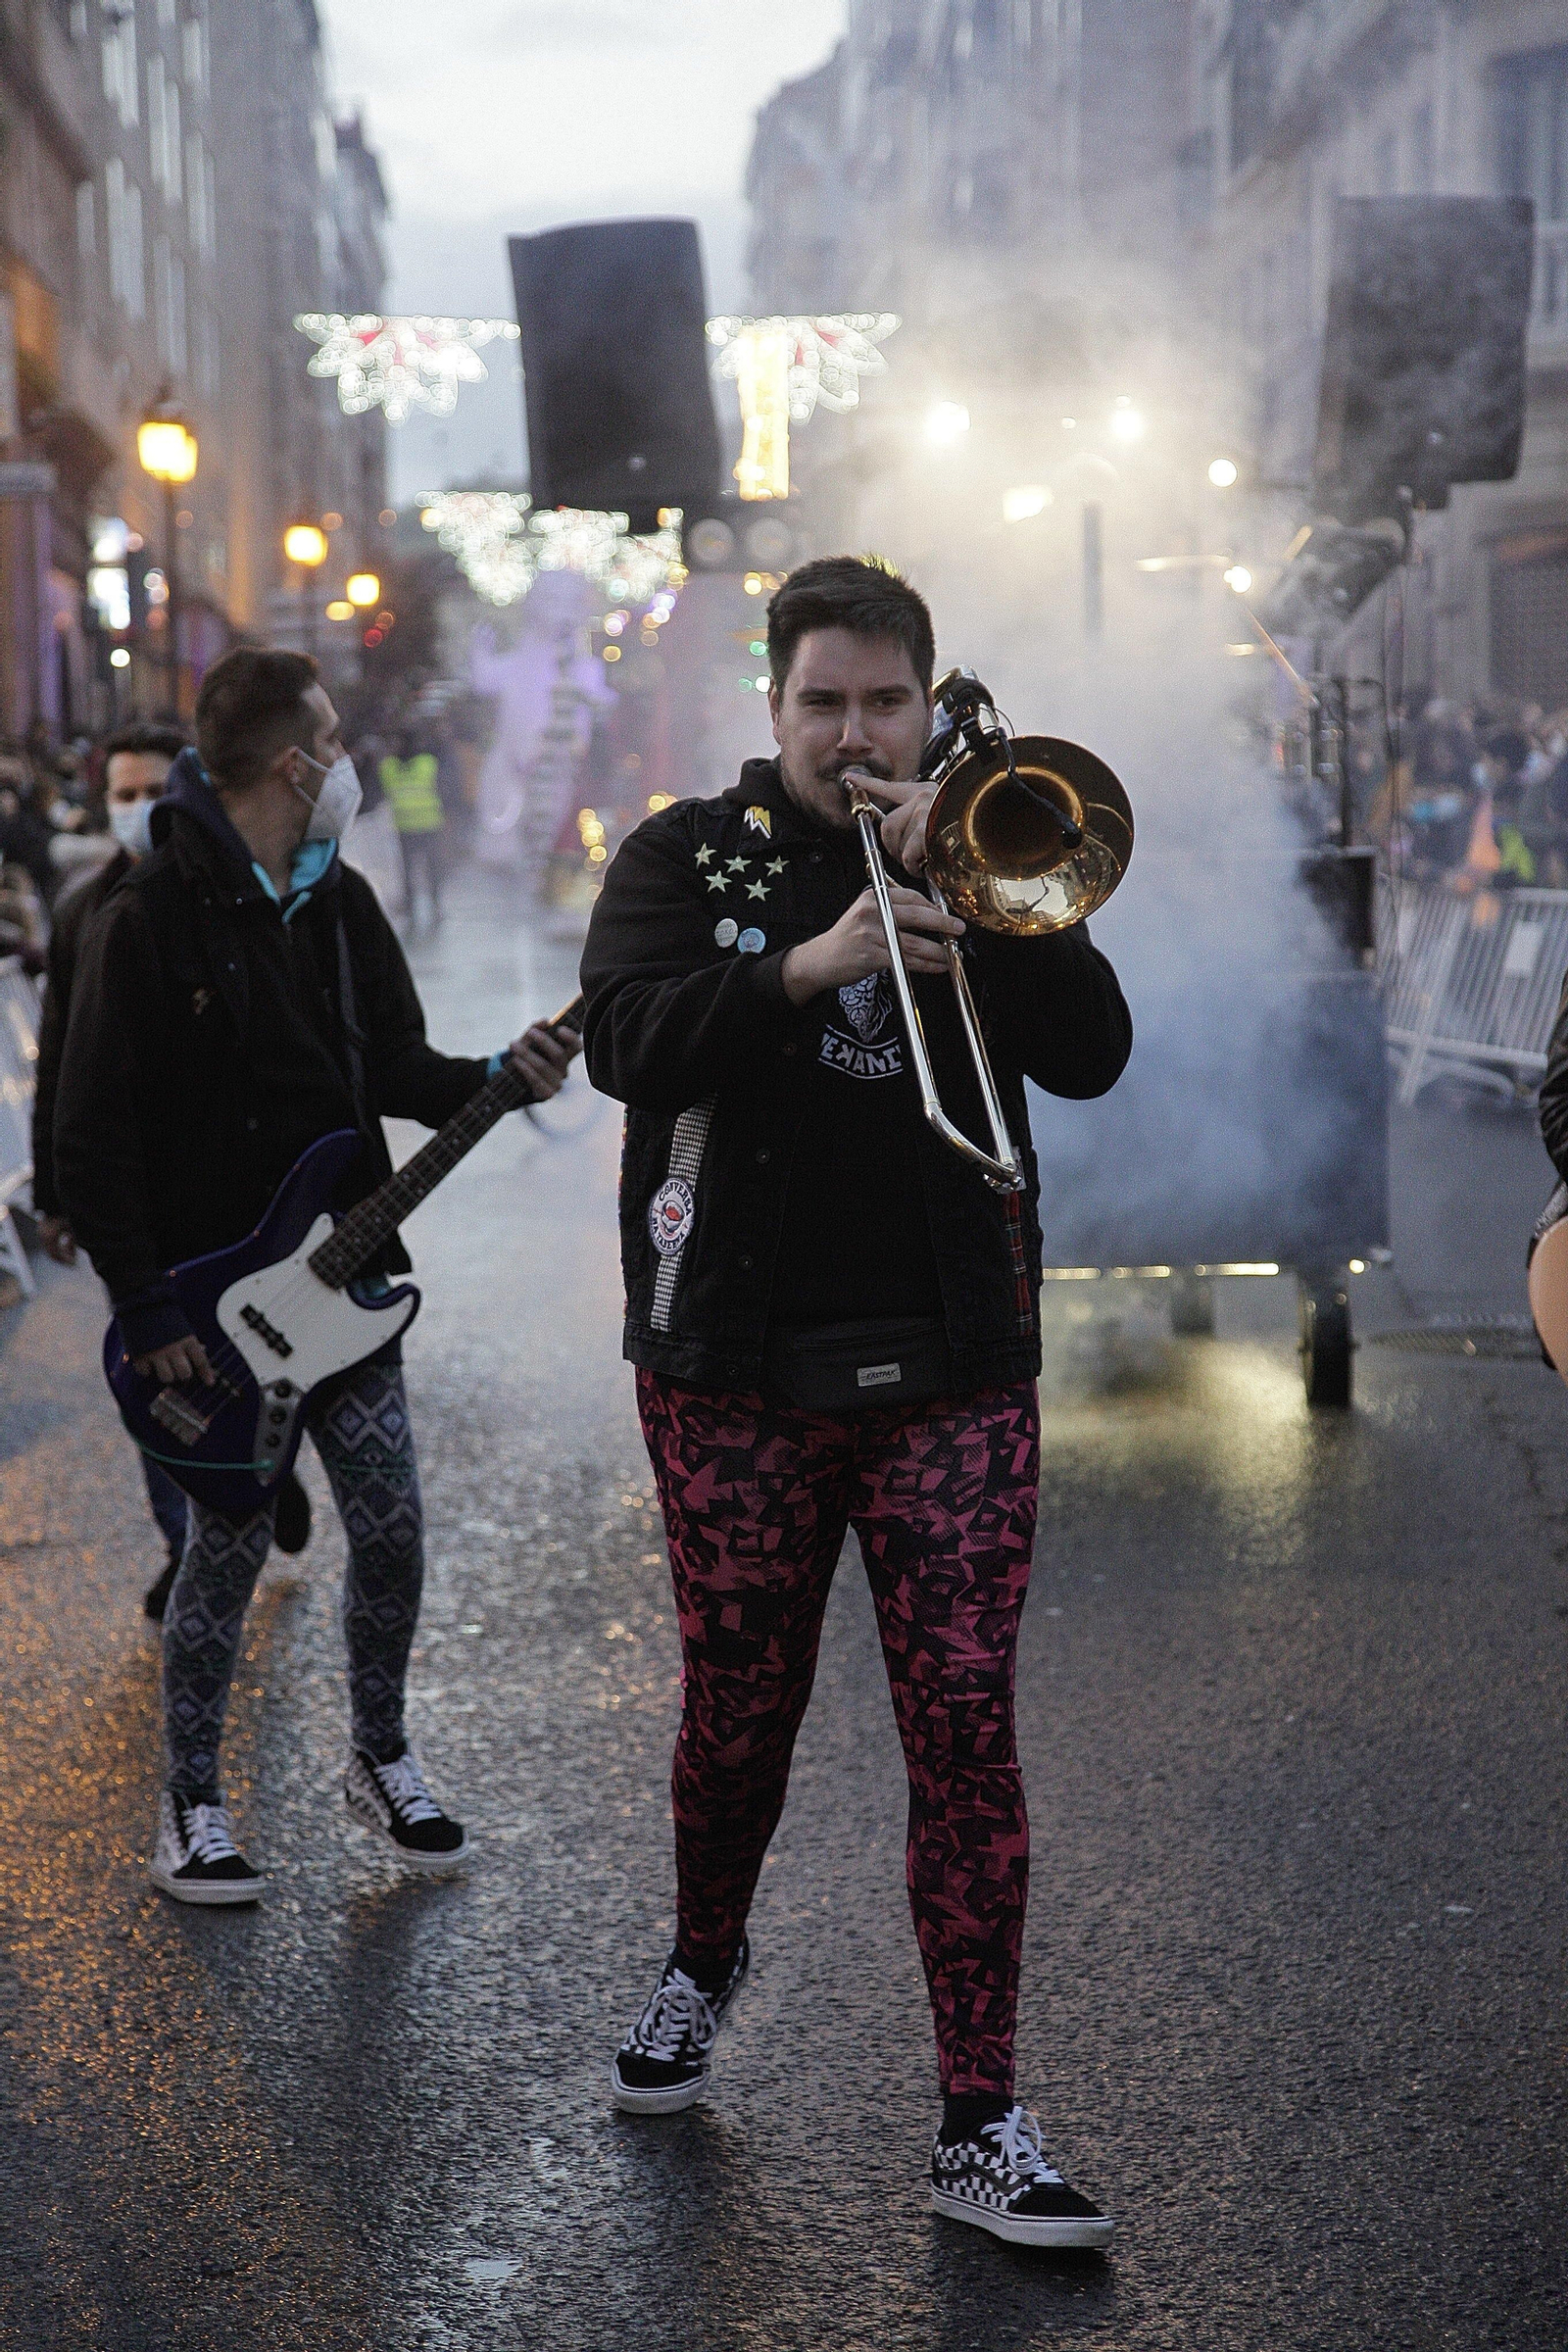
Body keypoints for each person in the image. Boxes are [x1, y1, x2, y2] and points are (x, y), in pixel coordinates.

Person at [579, 557, 1133, 2249]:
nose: (855, 731)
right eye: (823, 701)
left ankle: (981, 2115)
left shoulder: (980, 839)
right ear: (776, 706)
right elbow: (624, 1037)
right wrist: (813, 961)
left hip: (952, 1366)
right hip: (737, 1368)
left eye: (886, 700)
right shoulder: (690, 855)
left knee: (965, 1725)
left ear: (926, 701)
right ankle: (702, 1953)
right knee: (738, 1711)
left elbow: (1094, 1054)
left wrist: (979, 921)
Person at [55, 647, 578, 1906]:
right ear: (294, 762)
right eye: (333, 740)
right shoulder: (145, 916)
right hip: (211, 1312)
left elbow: (390, 1065)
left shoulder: (339, 905)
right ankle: (192, 1806)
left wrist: (500, 1078)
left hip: (346, 1290)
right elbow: (89, 1134)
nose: (347, 758)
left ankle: (382, 1760)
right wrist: (149, 1306)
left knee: (392, 1530)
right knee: (223, 1556)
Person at [378, 723, 447, 925]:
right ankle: (435, 904)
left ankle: (411, 907)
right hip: (429, 823)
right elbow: (441, 788)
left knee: (408, 868)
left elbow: (385, 792)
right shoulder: (428, 763)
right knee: (432, 866)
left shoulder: (388, 767)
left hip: (404, 825)